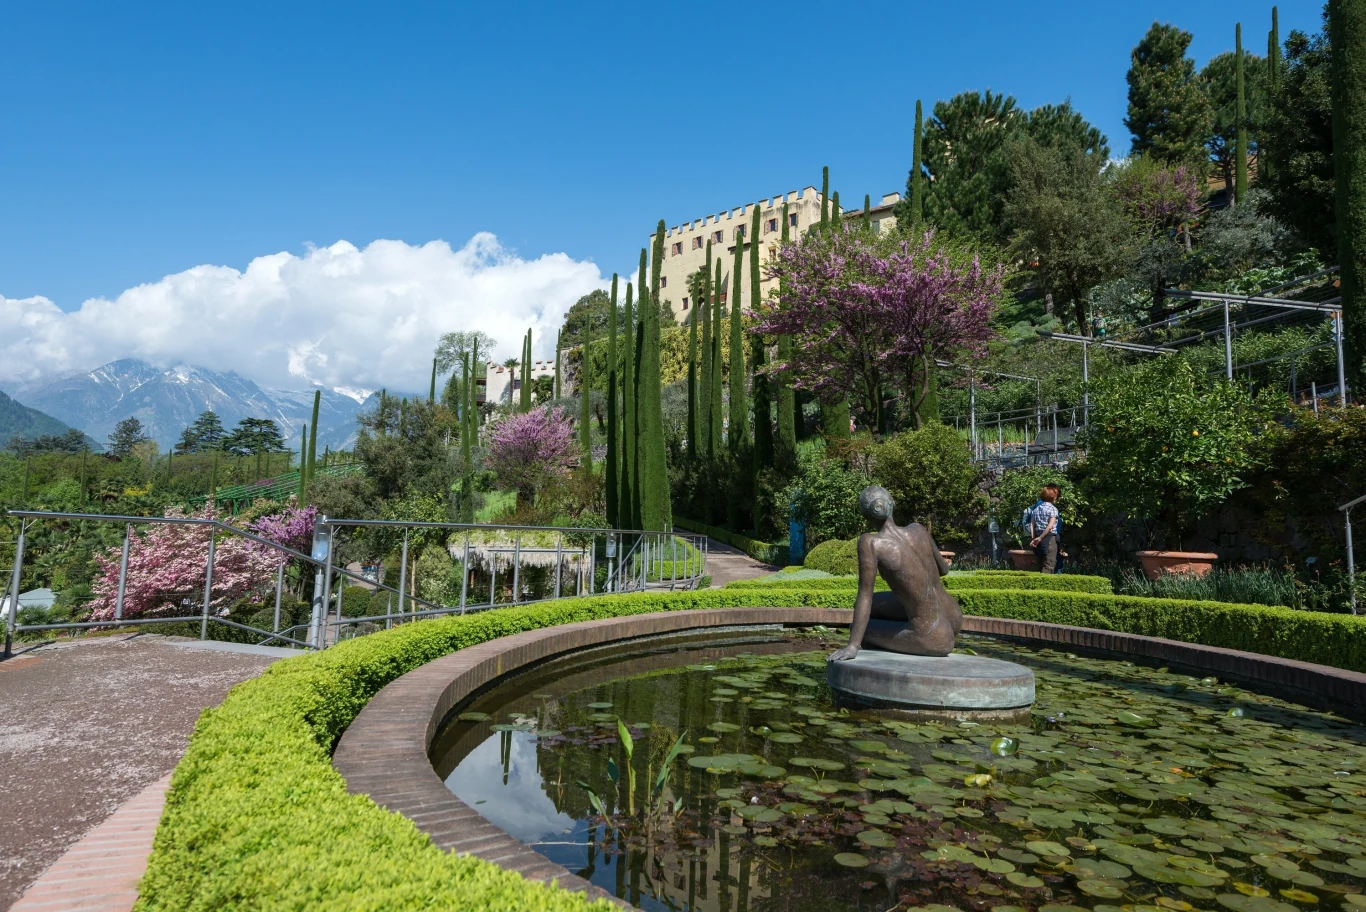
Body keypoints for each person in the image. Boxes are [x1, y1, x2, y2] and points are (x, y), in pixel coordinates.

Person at [827, 486, 962, 661]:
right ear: (892, 503)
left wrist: (853, 645)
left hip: (934, 636)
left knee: (858, 627)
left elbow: (864, 595)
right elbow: (944, 570)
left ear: (866, 516)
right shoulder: (918, 530)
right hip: (954, 616)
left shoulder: (871, 543)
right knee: (878, 602)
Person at [1027, 484, 1061, 574]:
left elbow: (1032, 525)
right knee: (1049, 564)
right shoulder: (1053, 509)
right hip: (1049, 538)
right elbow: (1050, 526)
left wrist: (1034, 538)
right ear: (1053, 497)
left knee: (1039, 563)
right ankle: (1044, 585)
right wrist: (1041, 538)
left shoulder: (1036, 509)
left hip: (1037, 538)